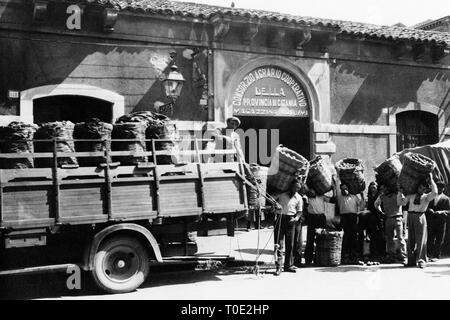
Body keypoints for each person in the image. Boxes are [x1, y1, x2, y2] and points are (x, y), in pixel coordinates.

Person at [401, 173, 438, 268]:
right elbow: (402, 202)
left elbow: (435, 193)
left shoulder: (426, 197)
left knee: (421, 239)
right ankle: (411, 261)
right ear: (418, 187)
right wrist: (400, 192)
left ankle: (421, 260)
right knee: (411, 239)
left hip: (420, 216)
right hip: (410, 216)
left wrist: (432, 180)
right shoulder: (411, 195)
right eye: (420, 188)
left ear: (426, 190)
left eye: (424, 189)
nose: (421, 190)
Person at [273, 180, 304, 276]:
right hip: (280, 219)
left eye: (298, 188)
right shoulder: (281, 195)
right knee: (279, 244)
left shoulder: (299, 197)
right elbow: (272, 202)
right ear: (291, 186)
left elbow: (299, 211)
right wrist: (275, 206)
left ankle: (288, 265)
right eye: (295, 187)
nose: (296, 189)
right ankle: (279, 267)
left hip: (291, 220)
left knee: (290, 244)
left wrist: (296, 218)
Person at [374, 184, 408, 265]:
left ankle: (403, 256)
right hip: (388, 218)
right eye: (382, 189)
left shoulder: (397, 194)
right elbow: (376, 204)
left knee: (400, 238)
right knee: (389, 238)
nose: (383, 190)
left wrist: (401, 193)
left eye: (384, 188)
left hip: (398, 217)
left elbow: (403, 203)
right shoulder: (382, 196)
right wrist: (381, 212)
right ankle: (391, 256)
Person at [304, 186, 336, 265]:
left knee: (321, 238)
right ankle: (308, 259)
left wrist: (334, 189)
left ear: (316, 191)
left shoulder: (322, 197)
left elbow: (332, 199)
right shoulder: (307, 198)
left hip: (321, 218)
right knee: (310, 239)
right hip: (311, 218)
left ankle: (319, 258)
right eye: (310, 191)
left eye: (313, 191)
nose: (311, 192)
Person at [336, 179, 365, 264]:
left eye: (345, 188)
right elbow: (336, 185)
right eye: (342, 189)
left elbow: (361, 206)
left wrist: (362, 197)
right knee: (345, 236)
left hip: (353, 217)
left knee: (353, 236)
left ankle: (354, 256)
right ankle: (344, 256)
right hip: (344, 217)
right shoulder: (339, 197)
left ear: (348, 189)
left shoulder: (354, 197)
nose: (344, 190)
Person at [358, 182, 386, 261]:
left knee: (379, 237)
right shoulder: (369, 197)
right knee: (371, 237)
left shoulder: (380, 196)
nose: (373, 189)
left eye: (374, 188)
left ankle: (380, 254)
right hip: (370, 219)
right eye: (371, 188)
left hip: (378, 218)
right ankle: (372, 254)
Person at [426, 181, 450, 262]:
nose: (440, 189)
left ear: (444, 188)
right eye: (439, 187)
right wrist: (429, 209)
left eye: (442, 187)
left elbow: (449, 211)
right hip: (431, 220)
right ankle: (429, 254)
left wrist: (442, 212)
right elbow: (425, 206)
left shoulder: (446, 198)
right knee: (430, 238)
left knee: (439, 239)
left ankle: (436, 256)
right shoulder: (431, 196)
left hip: (441, 221)